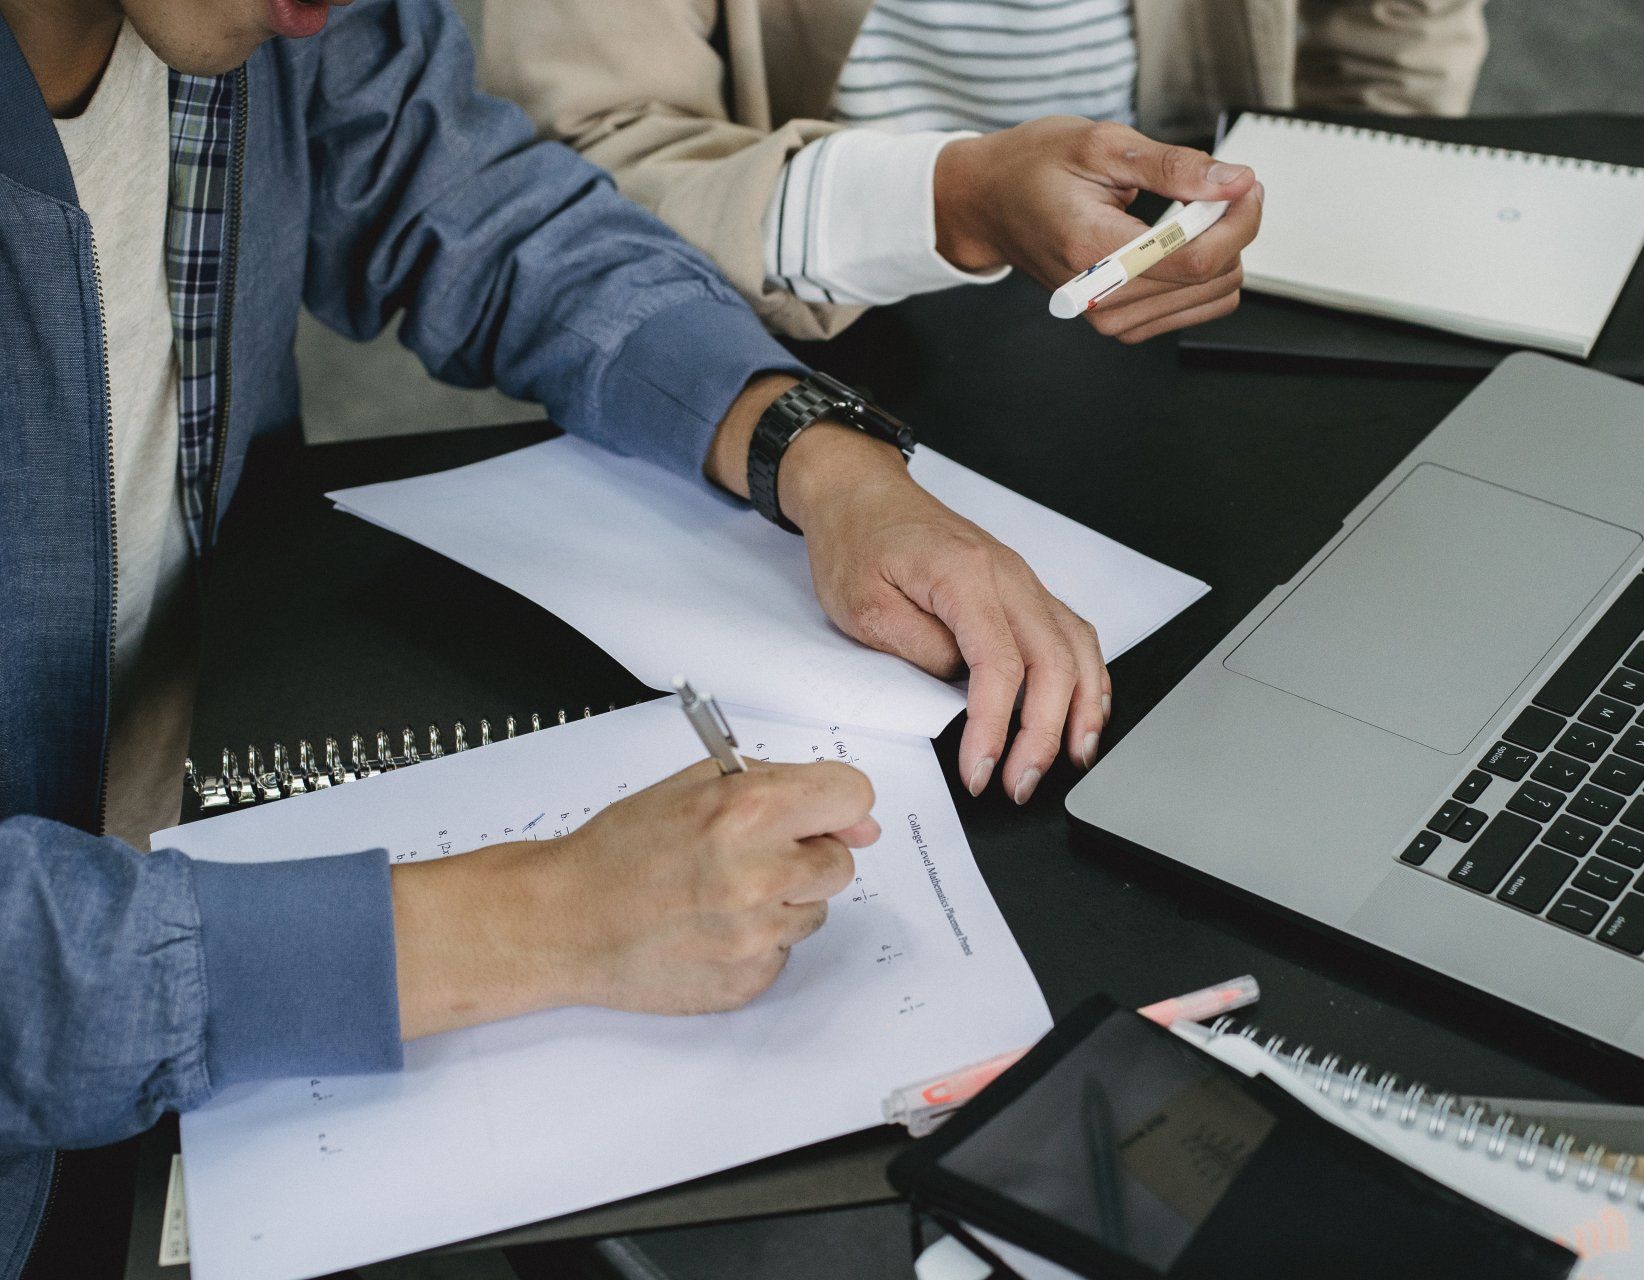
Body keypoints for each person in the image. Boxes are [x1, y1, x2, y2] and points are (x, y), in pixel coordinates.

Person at [0, 0, 1108, 1273]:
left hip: (216, 796)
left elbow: (473, 204)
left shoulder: (275, 22)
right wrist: (546, 915)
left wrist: (816, 450)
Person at [482, 0, 1489, 344]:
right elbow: (573, 165)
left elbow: (1394, 38)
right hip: (795, 309)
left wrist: (1324, 200)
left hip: (1196, 286)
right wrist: (953, 201)